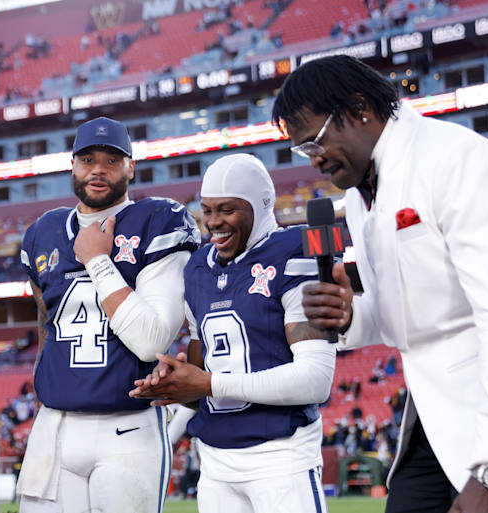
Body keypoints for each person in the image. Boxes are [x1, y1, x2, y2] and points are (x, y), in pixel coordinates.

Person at [273, 55, 488, 512]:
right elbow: (403, 319)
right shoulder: (361, 194)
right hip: (432, 416)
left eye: (316, 142)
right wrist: (350, 314)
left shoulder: (456, 159)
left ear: (360, 109)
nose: (315, 159)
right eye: (303, 150)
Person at [129, 153, 336, 512]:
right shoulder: (197, 268)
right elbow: (197, 385)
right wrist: (174, 385)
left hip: (280, 455)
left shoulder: (296, 251)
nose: (213, 222)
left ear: (261, 205)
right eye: (207, 210)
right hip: (215, 461)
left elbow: (315, 380)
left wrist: (208, 384)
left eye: (227, 209)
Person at [15, 116, 201, 513]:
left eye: (112, 160)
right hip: (56, 425)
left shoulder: (158, 219)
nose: (98, 169)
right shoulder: (43, 232)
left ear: (131, 166)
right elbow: (45, 319)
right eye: (87, 159)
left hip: (127, 427)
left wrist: (97, 259)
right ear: (72, 165)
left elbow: (151, 341)